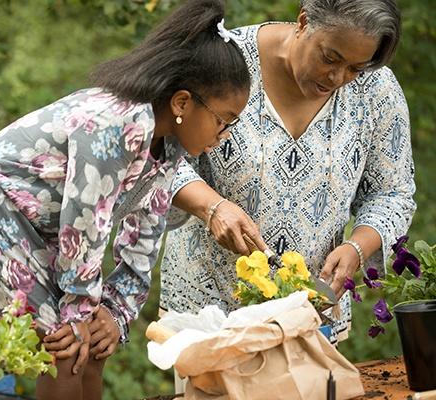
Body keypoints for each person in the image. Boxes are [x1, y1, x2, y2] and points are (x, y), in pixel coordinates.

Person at [0, 1, 250, 399]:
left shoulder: (169, 148)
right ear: (183, 103)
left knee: (96, 344)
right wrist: (80, 311)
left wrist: (115, 313)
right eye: (223, 120)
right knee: (67, 345)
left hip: (41, 227)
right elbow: (84, 225)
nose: (222, 135)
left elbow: (145, 238)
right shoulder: (114, 123)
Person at [161, 0, 416, 344]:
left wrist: (358, 247)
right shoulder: (224, 62)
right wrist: (212, 207)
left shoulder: (377, 91)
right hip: (209, 314)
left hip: (309, 315)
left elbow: (393, 192)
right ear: (304, 21)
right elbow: (160, 154)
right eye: (330, 57)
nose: (338, 78)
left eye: (356, 67)